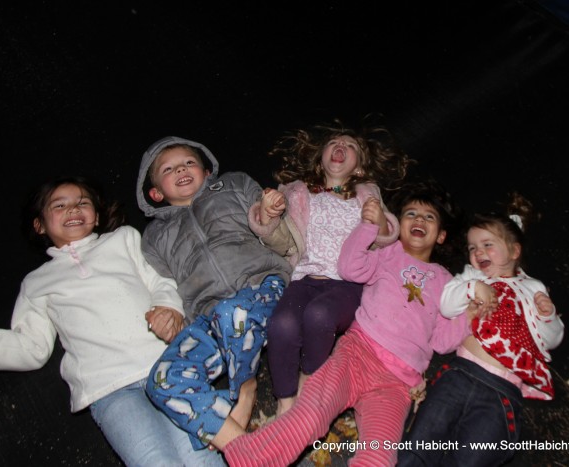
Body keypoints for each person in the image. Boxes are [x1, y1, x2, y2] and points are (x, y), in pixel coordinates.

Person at [0, 176, 225, 467]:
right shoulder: (37, 282)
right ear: (39, 225)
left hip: (169, 368)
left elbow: (161, 279)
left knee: (200, 457)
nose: (73, 210)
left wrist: (168, 308)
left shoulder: (124, 240)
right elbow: (30, 347)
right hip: (109, 390)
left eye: (82, 203)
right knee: (155, 462)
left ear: (96, 215)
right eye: (59, 205)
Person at [221, 180, 472, 466]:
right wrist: (368, 228)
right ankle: (250, 459)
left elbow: (442, 340)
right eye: (411, 214)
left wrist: (470, 314)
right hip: (357, 354)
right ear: (398, 225)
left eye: (429, 217)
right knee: (310, 414)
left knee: (380, 456)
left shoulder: (447, 282)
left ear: (440, 235)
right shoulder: (388, 254)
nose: (419, 220)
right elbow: (350, 268)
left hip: (397, 382)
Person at [135, 136, 292, 451]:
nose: (181, 169)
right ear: (156, 192)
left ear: (207, 171)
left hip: (262, 288)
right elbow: (166, 281)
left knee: (232, 312)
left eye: (189, 162)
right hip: (211, 316)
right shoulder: (154, 237)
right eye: (169, 168)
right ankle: (242, 448)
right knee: (162, 381)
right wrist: (167, 314)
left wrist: (268, 209)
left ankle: (244, 389)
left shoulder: (232, 185)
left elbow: (266, 222)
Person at [249, 119, 412, 416]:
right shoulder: (297, 193)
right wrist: (267, 214)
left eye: (350, 146)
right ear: (321, 156)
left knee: (319, 315)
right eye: (334, 143)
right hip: (304, 279)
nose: (341, 147)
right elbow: (280, 241)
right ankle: (285, 402)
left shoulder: (366, 195)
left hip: (347, 285)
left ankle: (310, 379)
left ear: (359, 168)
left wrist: (378, 221)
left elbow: (386, 239)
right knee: (281, 324)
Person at [397, 193, 565, 467]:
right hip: (460, 373)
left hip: (501, 392)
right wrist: (472, 288)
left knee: (471, 458)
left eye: (488, 245)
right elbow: (447, 305)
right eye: (472, 248)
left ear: (514, 251)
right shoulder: (472, 276)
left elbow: (550, 341)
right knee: (421, 442)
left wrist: (548, 318)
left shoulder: (533, 288)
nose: (478, 253)